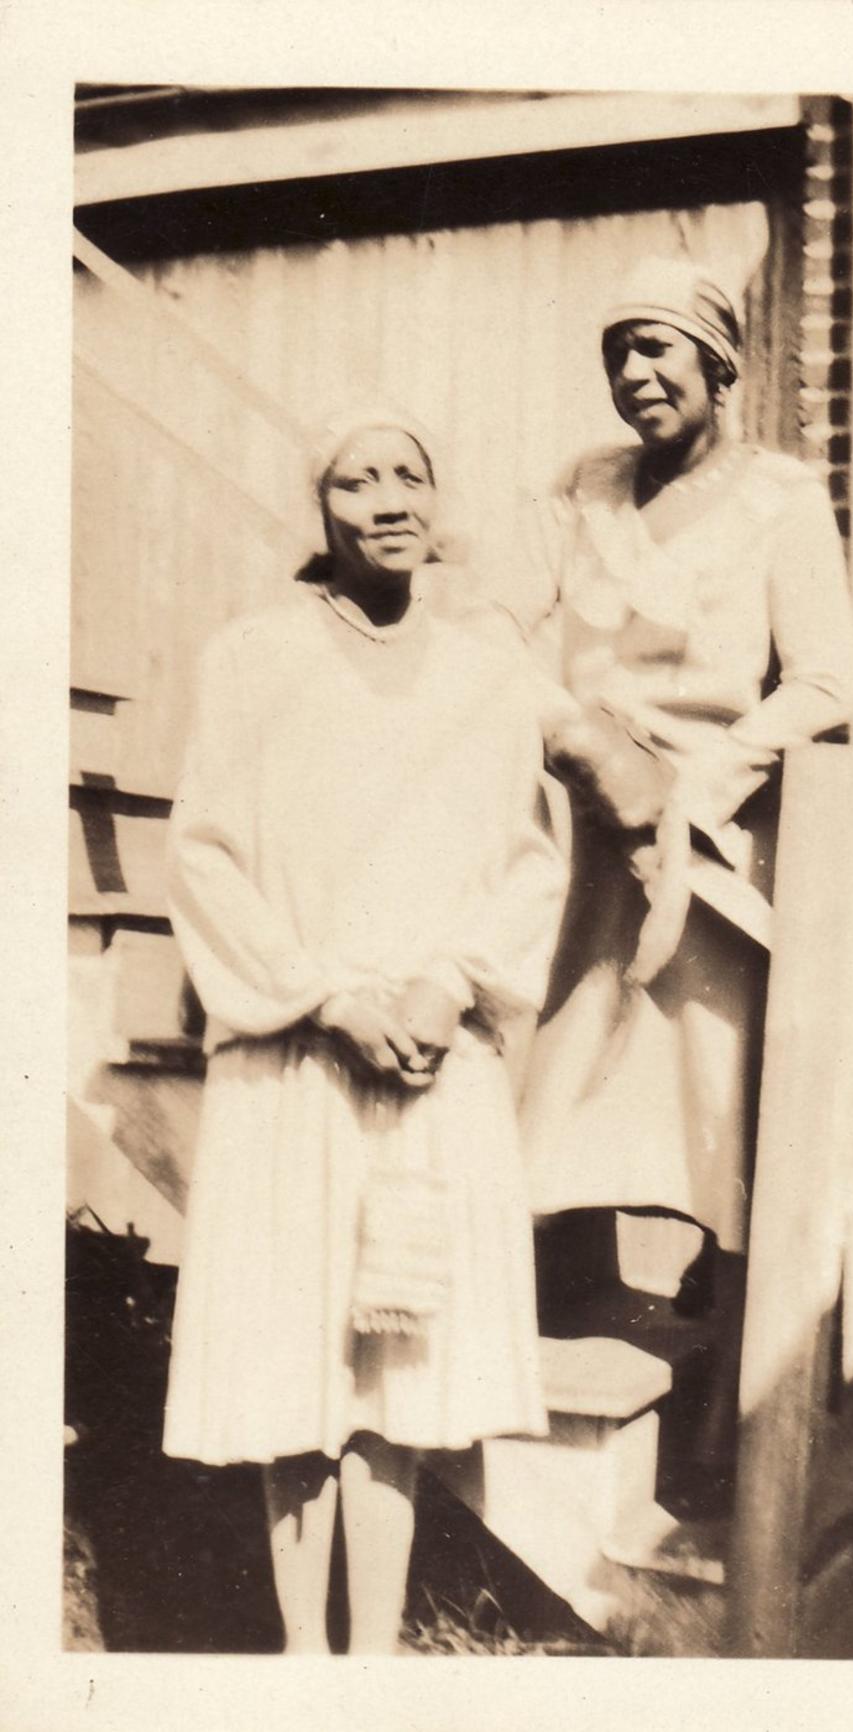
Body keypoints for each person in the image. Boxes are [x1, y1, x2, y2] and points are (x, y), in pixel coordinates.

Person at [161, 407, 566, 1654]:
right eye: (355, 479)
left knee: (399, 1369)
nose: (386, 498)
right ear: (320, 509)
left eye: (410, 475)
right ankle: (301, 1655)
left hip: (434, 1060)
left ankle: (377, 1653)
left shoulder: (491, 672)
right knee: (294, 1355)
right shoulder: (253, 657)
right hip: (298, 1054)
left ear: (438, 505)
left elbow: (528, 859)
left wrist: (451, 983)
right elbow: (208, 854)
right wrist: (321, 995)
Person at [490, 257, 853, 1477]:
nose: (637, 376)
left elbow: (826, 680)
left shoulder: (780, 499)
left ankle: (730, 1402)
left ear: (719, 362)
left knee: (714, 1099)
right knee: (556, 1072)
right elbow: (499, 622)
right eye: (618, 355)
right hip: (582, 811)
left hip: (708, 835)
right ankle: (527, 1342)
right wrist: (576, 737)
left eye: (660, 351)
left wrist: (698, 779)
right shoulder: (583, 489)